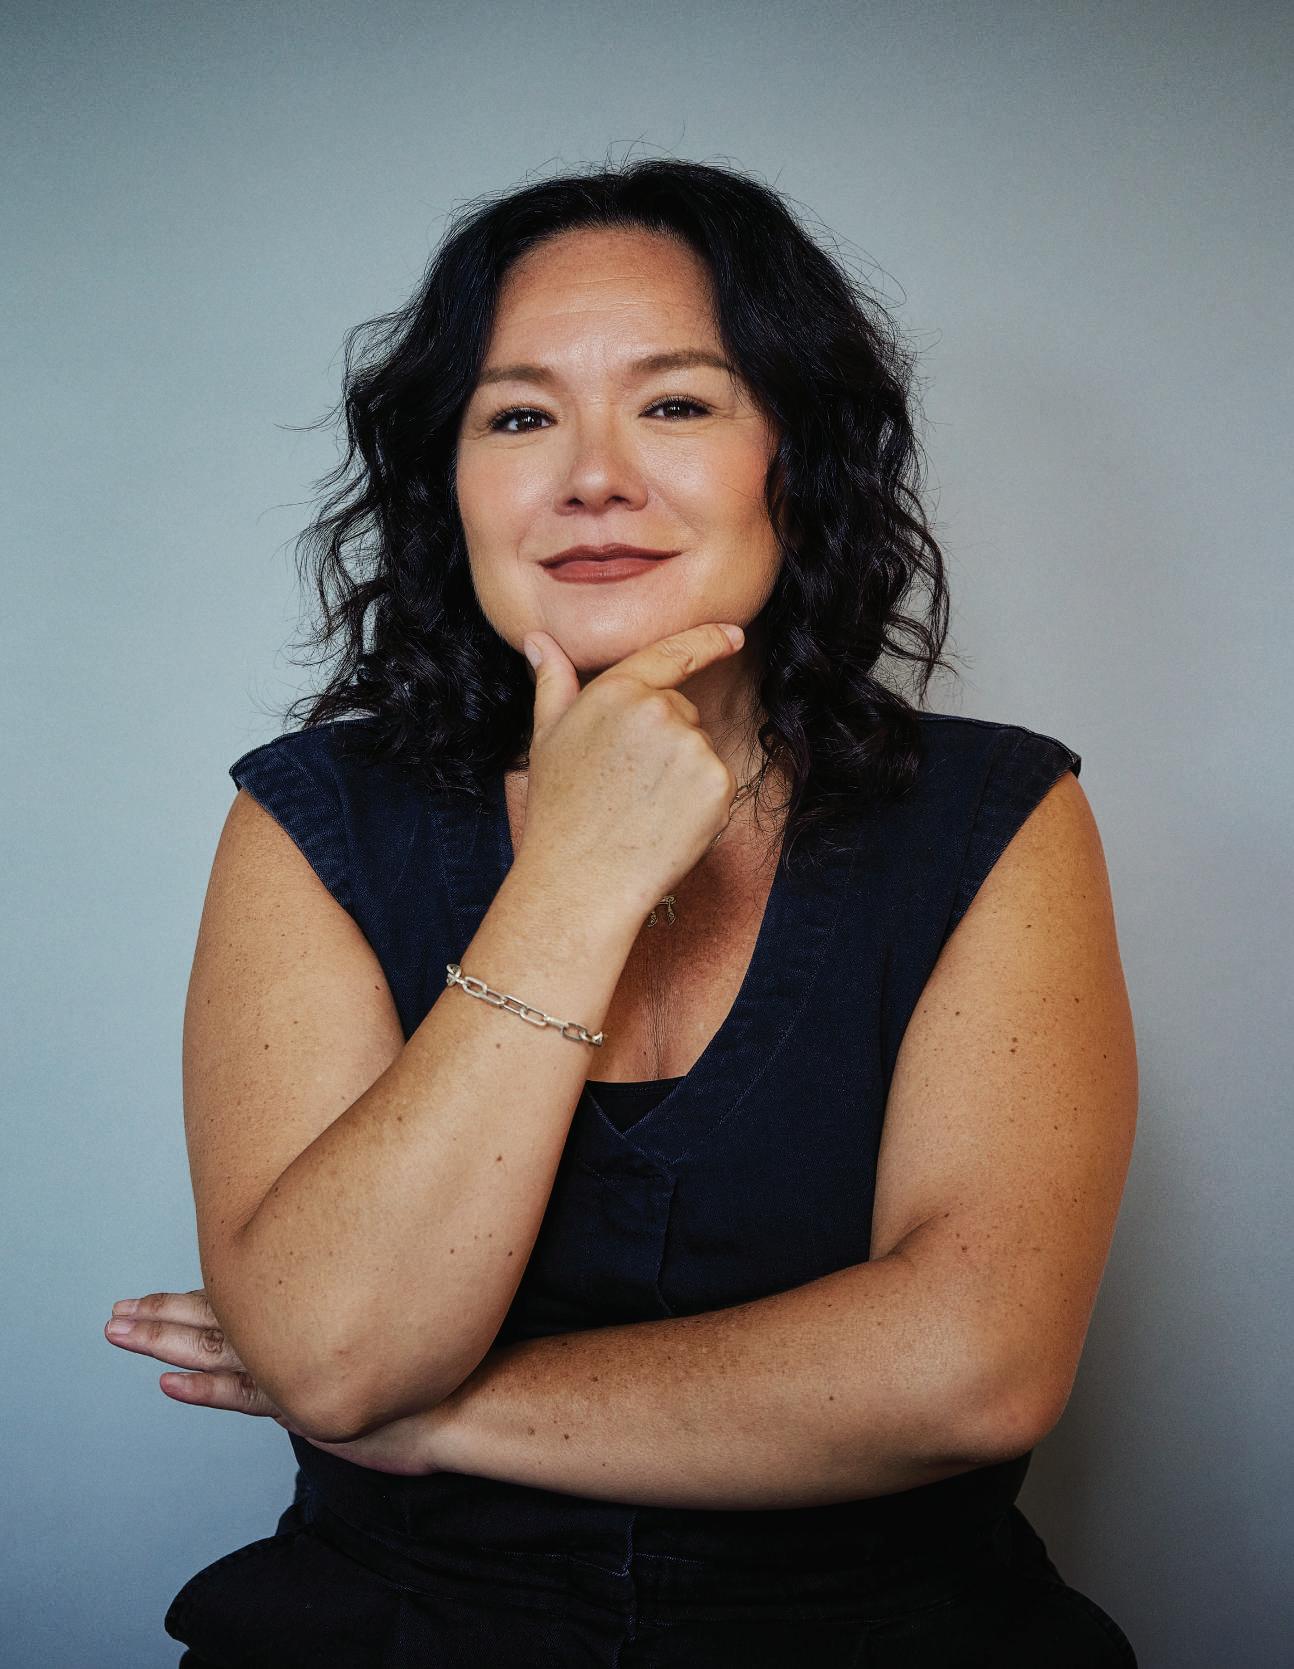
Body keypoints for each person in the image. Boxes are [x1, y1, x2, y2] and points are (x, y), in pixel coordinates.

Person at [105, 157, 1139, 1666]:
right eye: (520, 417)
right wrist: (578, 875)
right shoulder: (313, 814)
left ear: (798, 463)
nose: (592, 476)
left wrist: (433, 1416)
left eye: (676, 403)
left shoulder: (993, 814)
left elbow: (970, 1372)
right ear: (448, 486)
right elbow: (331, 1351)